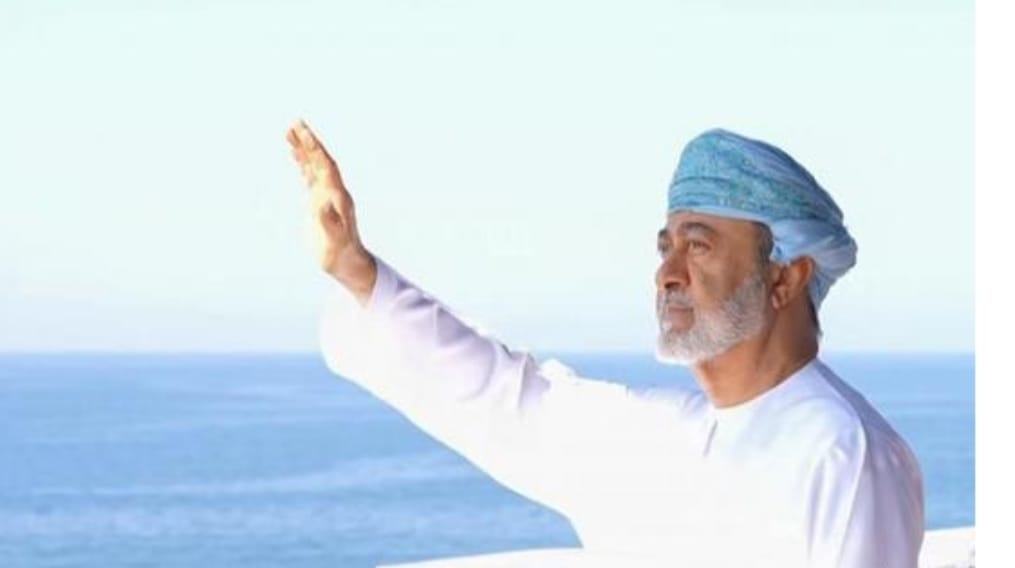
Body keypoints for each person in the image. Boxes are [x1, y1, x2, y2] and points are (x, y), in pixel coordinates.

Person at [285, 120, 925, 567]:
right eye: (665, 247)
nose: (668, 273)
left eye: (698, 245)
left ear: (784, 277)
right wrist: (356, 270)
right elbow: (512, 402)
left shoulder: (843, 453)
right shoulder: (673, 436)